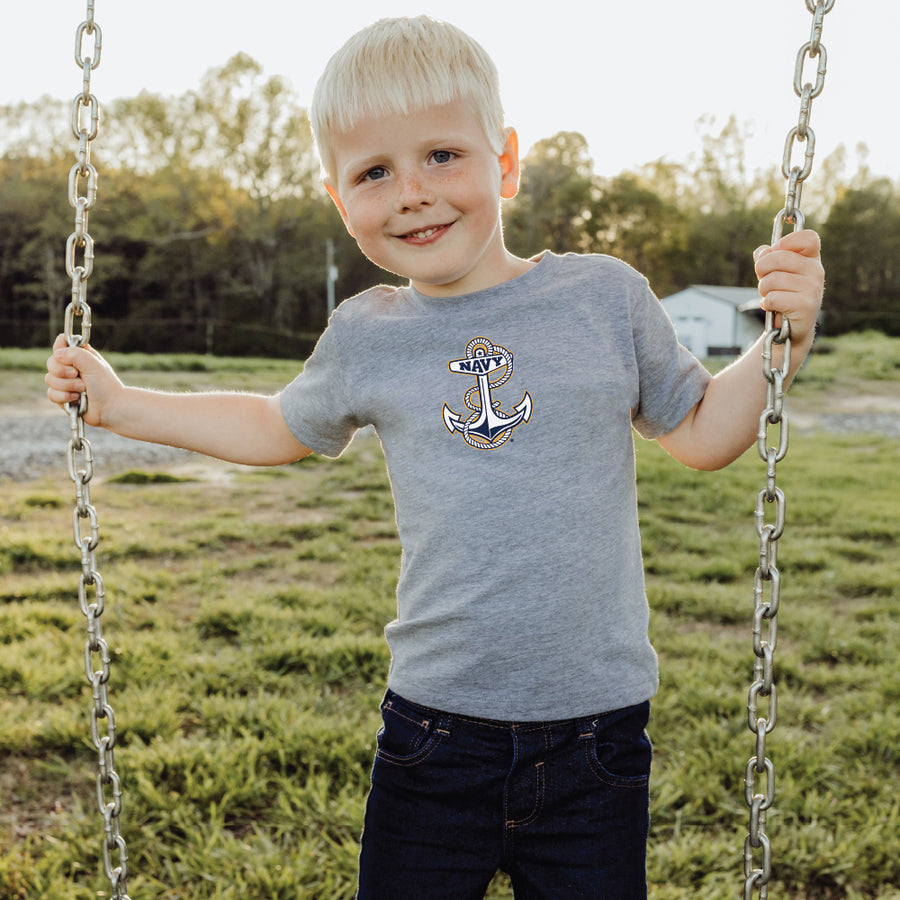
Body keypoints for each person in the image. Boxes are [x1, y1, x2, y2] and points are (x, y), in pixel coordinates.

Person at [46, 16, 824, 899]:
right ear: (342, 201)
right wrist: (120, 405)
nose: (412, 192)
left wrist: (777, 347)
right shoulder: (367, 336)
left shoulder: (604, 299)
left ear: (505, 161)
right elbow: (273, 427)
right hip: (433, 736)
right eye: (375, 172)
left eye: (443, 156)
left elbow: (701, 434)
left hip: (595, 742)